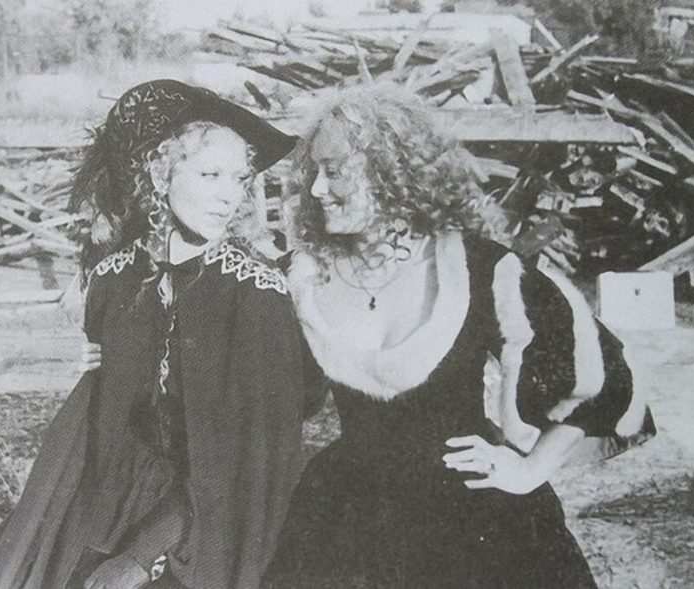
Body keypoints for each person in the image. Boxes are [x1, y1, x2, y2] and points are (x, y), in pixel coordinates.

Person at [261, 87, 656, 588]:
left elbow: (599, 375)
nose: (317, 189)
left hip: (475, 518)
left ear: (390, 172)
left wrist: (531, 469)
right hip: (348, 516)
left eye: (334, 170)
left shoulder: (477, 269)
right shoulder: (301, 279)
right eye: (314, 171)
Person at [0, 79, 324, 589]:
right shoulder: (115, 279)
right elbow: (105, 432)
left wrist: (141, 557)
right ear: (160, 175)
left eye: (239, 179)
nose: (228, 196)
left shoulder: (254, 292)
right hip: (109, 511)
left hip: (208, 527)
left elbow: (247, 454)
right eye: (209, 174)